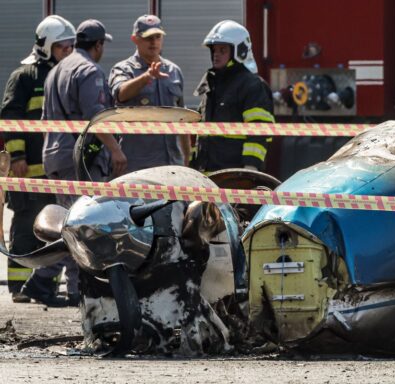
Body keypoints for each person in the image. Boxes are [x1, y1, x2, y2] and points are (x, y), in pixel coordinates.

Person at [37, 19, 125, 306]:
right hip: (78, 159)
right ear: (98, 45)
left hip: (54, 154)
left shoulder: (56, 71)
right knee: (83, 226)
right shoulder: (89, 71)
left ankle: (41, 281)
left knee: (67, 224)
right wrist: (115, 150)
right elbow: (95, 117)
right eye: (103, 45)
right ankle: (78, 290)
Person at [0, 15, 75, 305]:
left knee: (53, 228)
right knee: (24, 225)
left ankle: (46, 285)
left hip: (53, 172)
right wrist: (17, 154)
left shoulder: (64, 74)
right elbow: (9, 117)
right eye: (61, 47)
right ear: (45, 46)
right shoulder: (24, 76)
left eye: (69, 47)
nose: (66, 52)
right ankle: (19, 286)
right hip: (26, 169)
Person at [109, 14, 190, 173]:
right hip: (137, 167)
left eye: (157, 37)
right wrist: (147, 77)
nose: (154, 42)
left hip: (172, 164)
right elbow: (120, 94)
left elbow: (183, 118)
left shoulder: (174, 71)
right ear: (135, 39)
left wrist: (186, 157)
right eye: (148, 37)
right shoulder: (123, 69)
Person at [192, 20, 275, 173]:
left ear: (240, 51)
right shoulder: (211, 84)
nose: (216, 55)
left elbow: (259, 130)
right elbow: (200, 130)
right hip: (205, 176)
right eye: (214, 50)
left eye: (222, 50)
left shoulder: (252, 86)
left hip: (235, 177)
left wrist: (250, 167)